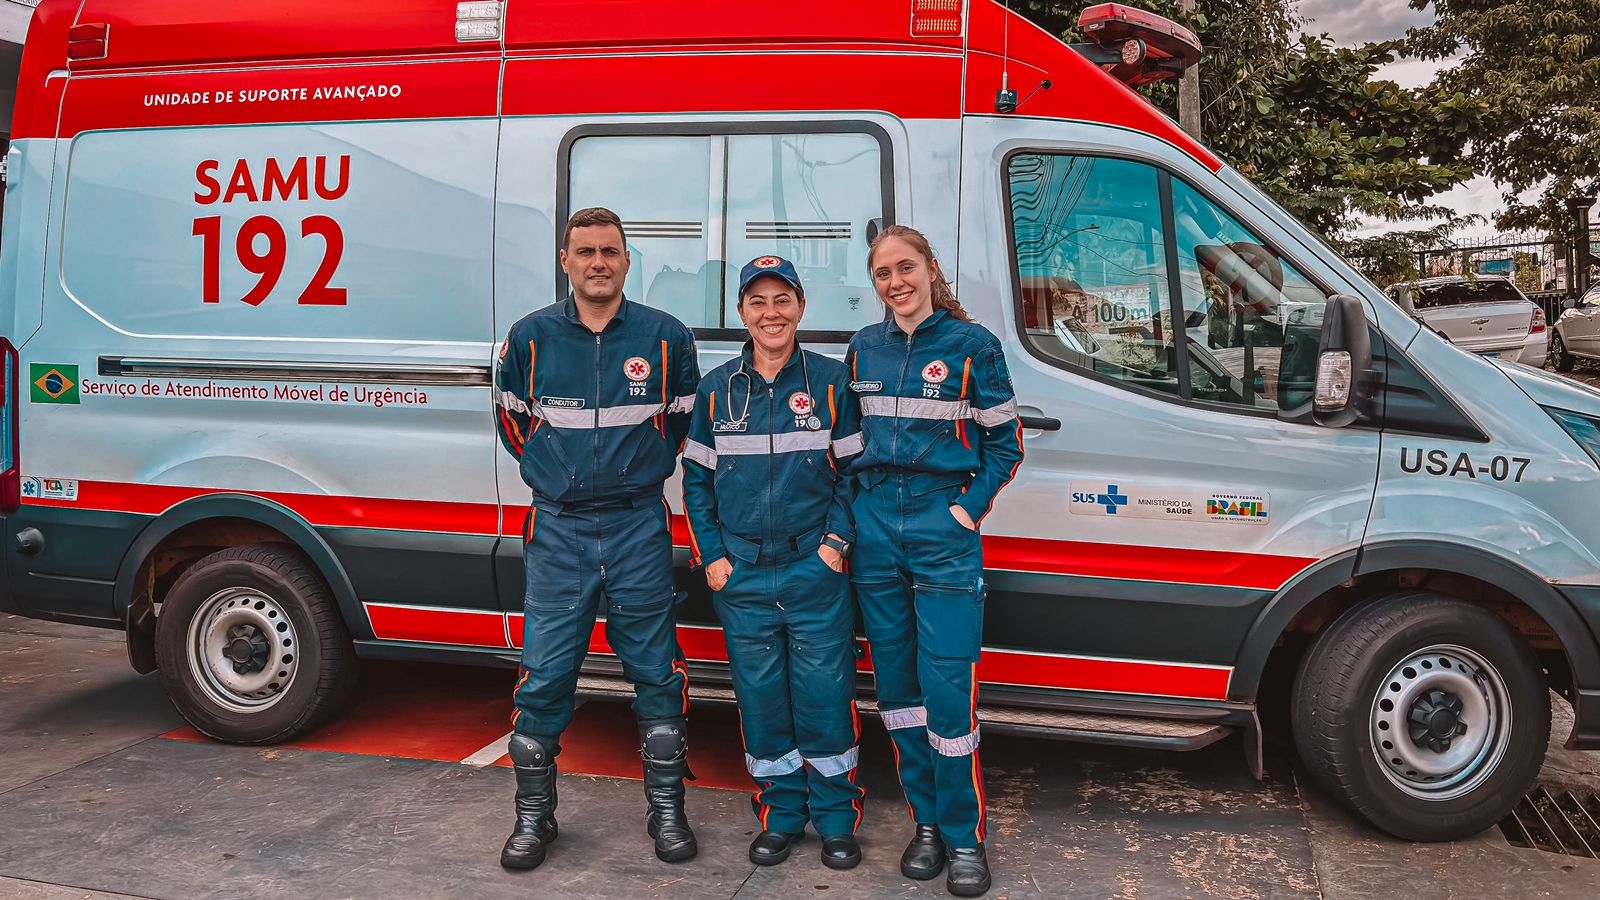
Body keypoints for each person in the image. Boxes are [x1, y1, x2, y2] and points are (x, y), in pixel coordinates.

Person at [493, 207, 701, 870]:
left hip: (639, 524)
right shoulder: (529, 339)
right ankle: (533, 820)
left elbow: (677, 425)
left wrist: (630, 472)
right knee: (545, 675)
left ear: (626, 259)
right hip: (560, 528)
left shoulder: (666, 338)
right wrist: (561, 472)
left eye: (609, 251)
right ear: (565, 261)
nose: (598, 263)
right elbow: (515, 423)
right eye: (584, 252)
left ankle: (667, 815)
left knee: (656, 674)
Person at [844, 225, 1023, 897]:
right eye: (884, 272)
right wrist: (855, 519)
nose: (897, 281)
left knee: (949, 692)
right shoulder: (865, 348)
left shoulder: (973, 347)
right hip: (875, 534)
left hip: (942, 527)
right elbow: (846, 443)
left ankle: (963, 834)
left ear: (929, 268)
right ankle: (925, 824)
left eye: (906, 267)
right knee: (899, 695)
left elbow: (1005, 445)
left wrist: (965, 511)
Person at [681, 256, 868, 869]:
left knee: (823, 695)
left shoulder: (831, 383)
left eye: (781, 299)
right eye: (757, 301)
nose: (771, 313)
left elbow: (853, 477)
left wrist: (834, 547)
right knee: (761, 701)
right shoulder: (716, 390)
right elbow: (697, 483)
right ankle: (783, 815)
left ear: (801, 307)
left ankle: (837, 818)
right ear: (741, 313)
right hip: (743, 576)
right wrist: (712, 557)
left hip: (813, 572)